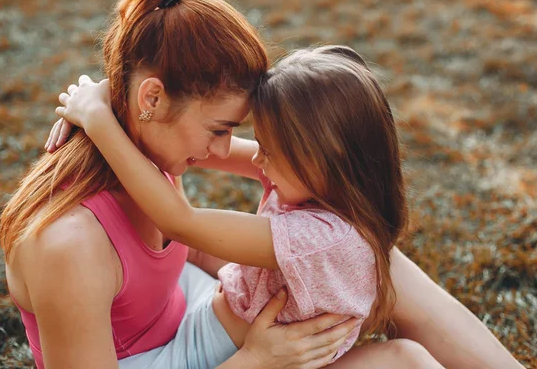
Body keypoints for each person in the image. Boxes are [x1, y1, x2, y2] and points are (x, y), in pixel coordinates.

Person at [0, 0, 362, 369]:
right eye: (218, 129)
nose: (225, 150)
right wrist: (256, 360)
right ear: (151, 99)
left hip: (188, 312)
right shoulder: (69, 245)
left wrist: (280, 280)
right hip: (155, 359)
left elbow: (188, 245)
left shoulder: (149, 151)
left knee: (347, 238)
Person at [55, 42, 448, 369]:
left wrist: (98, 119)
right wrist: (134, 102)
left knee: (409, 360)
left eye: (271, 151)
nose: (258, 159)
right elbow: (192, 146)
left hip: (211, 357)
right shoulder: (323, 187)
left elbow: (178, 222)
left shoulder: (320, 239)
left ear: (321, 157)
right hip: (210, 342)